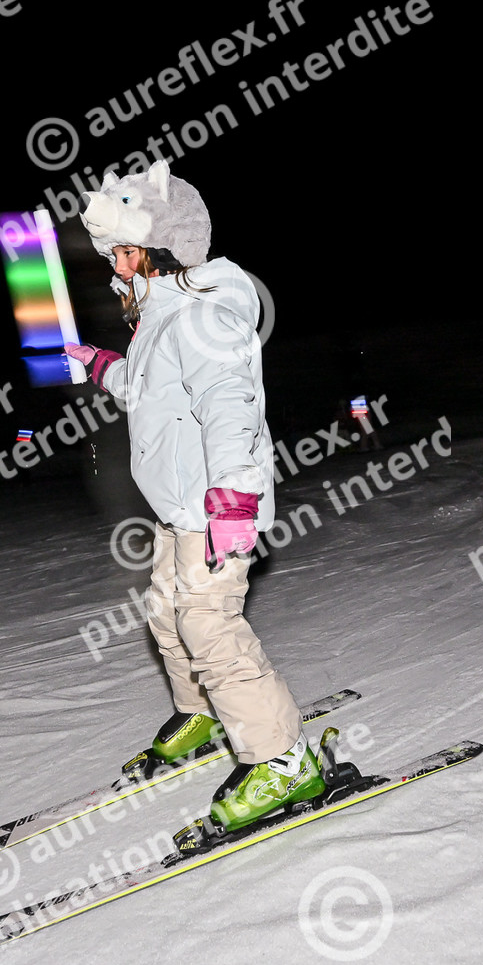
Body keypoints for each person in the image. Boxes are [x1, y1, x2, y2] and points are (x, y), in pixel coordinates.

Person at [65, 160, 321, 835]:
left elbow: (230, 407)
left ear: (156, 249)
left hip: (217, 506)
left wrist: (233, 500)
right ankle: (204, 712)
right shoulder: (160, 317)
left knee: (209, 625)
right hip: (179, 507)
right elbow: (148, 390)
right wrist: (103, 367)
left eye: (122, 253)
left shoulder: (203, 314)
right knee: (165, 612)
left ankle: (284, 760)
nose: (115, 268)